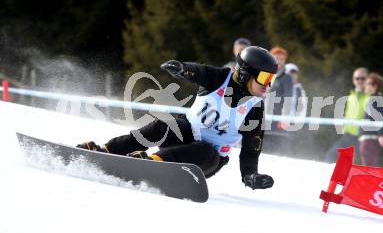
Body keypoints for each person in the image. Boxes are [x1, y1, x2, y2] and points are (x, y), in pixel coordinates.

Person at [78, 46, 277, 189]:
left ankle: (155, 163)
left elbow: (250, 152)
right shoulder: (219, 78)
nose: (267, 85)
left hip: (204, 162)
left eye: (271, 80)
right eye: (264, 78)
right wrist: (182, 69)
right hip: (183, 137)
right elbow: (198, 71)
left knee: (207, 150)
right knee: (166, 125)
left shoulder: (255, 110)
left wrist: (251, 176)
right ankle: (108, 150)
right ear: (244, 73)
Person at [324, 67, 369, 164]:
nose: (360, 81)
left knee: (362, 165)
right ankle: (335, 179)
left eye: (363, 78)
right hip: (348, 136)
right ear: (353, 80)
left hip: (363, 138)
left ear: (367, 79)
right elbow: (349, 113)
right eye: (357, 78)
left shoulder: (371, 97)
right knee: (331, 157)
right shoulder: (351, 96)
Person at [262, 46, 294, 156]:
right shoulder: (264, 76)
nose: (279, 61)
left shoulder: (287, 78)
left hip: (277, 123)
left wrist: (284, 118)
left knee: (276, 153)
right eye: (276, 58)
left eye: (282, 59)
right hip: (262, 120)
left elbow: (289, 99)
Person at [359, 73, 383, 166]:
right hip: (367, 138)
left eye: (367, 83)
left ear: (375, 86)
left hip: (371, 139)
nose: (365, 86)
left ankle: (371, 181)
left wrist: (382, 135)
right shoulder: (371, 99)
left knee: (370, 167)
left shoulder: (378, 99)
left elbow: (381, 118)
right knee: (368, 165)